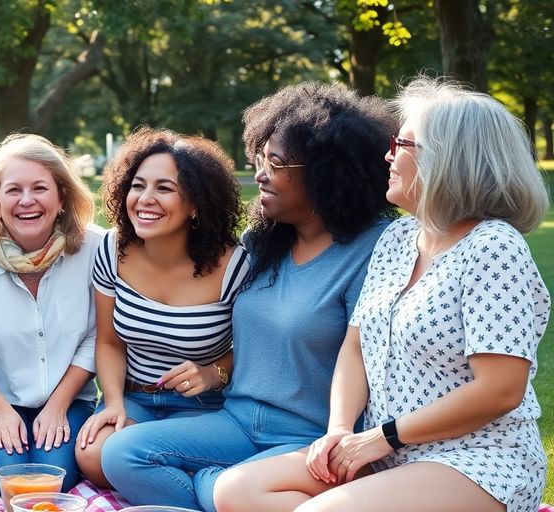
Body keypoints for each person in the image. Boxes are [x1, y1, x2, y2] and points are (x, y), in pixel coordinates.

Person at [213, 78, 550, 512]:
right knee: (235, 490)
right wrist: (338, 430)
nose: (388, 155)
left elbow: (500, 390)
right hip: (387, 454)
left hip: (475, 460)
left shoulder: (494, 248)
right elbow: (354, 348)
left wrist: (382, 436)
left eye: (403, 143)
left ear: (449, 159)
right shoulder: (397, 237)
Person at [99, 82, 397, 511]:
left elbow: (366, 356)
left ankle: (215, 491)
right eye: (260, 159)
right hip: (235, 420)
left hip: (309, 435)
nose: (259, 175)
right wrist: (215, 373)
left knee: (223, 489)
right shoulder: (260, 243)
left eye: (274, 163)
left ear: (326, 173)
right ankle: (219, 492)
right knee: (120, 454)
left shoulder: (373, 250)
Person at [75, 127, 249, 488]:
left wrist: (213, 372)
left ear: (196, 203)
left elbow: (255, 348)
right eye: (138, 186)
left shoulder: (234, 266)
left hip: (205, 408)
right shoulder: (112, 250)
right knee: (93, 456)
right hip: (135, 397)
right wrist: (113, 403)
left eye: (164, 188)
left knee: (124, 459)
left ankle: (206, 486)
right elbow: (108, 341)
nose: (145, 199)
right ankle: (197, 479)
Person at [0, 133, 101, 495]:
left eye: (40, 188)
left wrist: (58, 405)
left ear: (62, 198)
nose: (26, 201)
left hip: (68, 396)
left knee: (54, 477)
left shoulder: (94, 249)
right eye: (13, 190)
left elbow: (96, 337)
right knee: (12, 480)